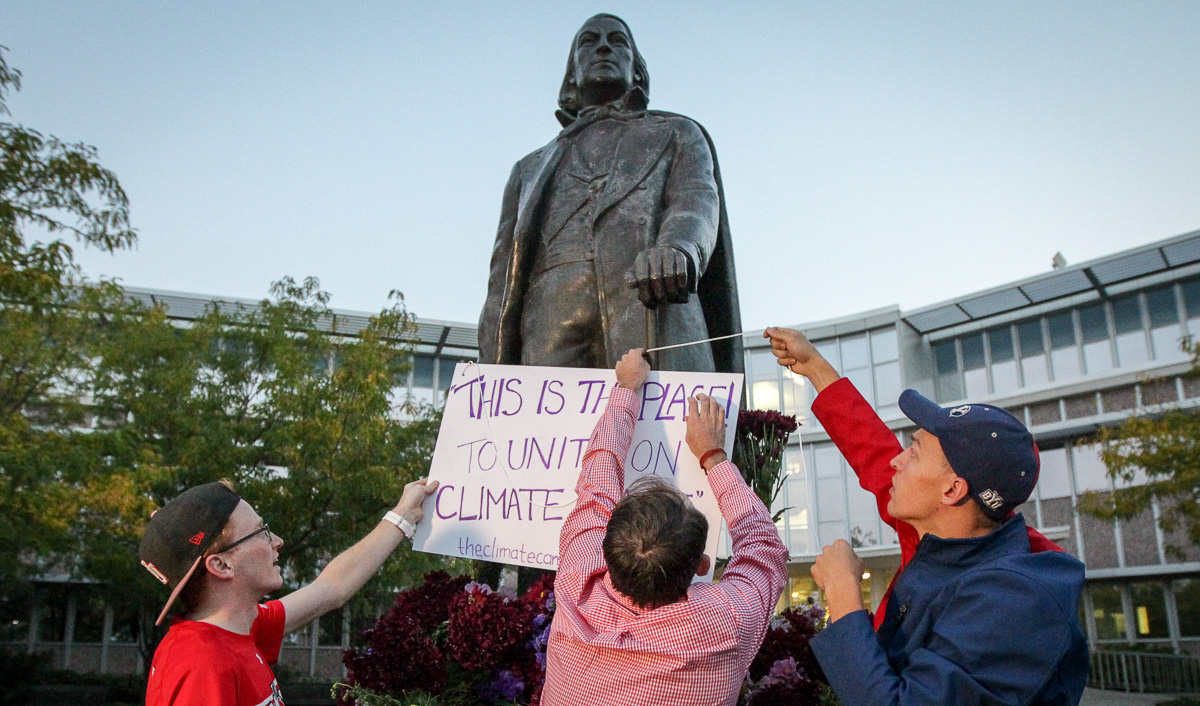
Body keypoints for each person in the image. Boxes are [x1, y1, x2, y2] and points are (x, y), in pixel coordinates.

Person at [764, 326, 1088, 705]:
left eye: (913, 452)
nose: (896, 461)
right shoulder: (949, 530)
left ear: (952, 491)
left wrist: (844, 594)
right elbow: (871, 448)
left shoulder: (1016, 604)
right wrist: (815, 368)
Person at [478, 13, 743, 373]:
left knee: (668, 430)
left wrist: (679, 248)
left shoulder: (679, 132)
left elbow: (695, 198)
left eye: (618, 41)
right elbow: (501, 282)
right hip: (548, 321)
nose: (603, 46)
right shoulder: (528, 168)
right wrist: (489, 372)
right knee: (555, 430)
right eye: (589, 41)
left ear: (637, 69)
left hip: (650, 299)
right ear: (572, 73)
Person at [541, 348, 788, 706]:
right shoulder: (726, 624)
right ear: (702, 567)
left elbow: (597, 480)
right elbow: (763, 548)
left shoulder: (576, 583)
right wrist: (712, 455)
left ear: (606, 550)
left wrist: (626, 388)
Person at [139, 476, 438, 705]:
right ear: (222, 565)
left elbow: (332, 588)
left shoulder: (241, 629)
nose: (277, 541)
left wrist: (404, 515)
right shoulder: (202, 664)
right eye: (261, 532)